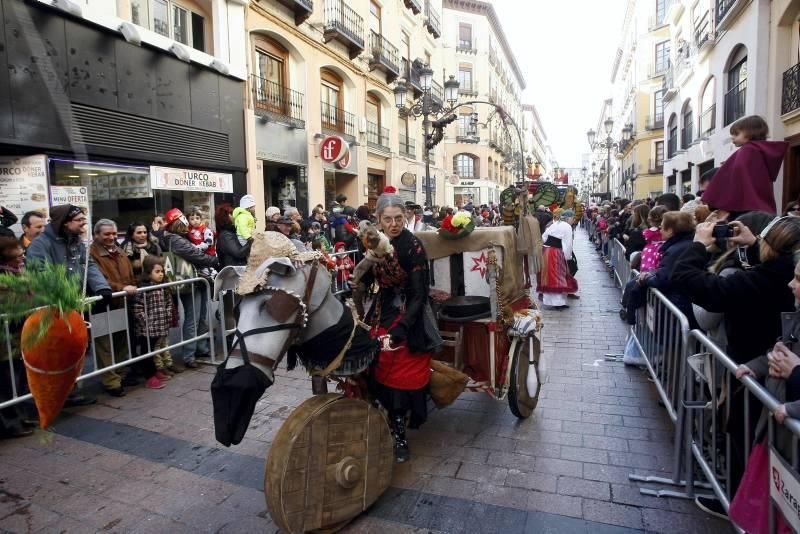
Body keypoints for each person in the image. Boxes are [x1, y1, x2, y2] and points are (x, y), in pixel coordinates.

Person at [360, 187, 439, 463]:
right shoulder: (374, 243)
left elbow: (419, 295)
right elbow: (369, 278)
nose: (393, 224)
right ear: (378, 219)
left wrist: (403, 326)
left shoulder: (413, 246)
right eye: (387, 219)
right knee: (371, 361)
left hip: (411, 315)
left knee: (398, 377)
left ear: (405, 217)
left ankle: (400, 433)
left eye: (398, 218)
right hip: (382, 309)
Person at [671, 215, 800, 365]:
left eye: (762, 238)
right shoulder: (785, 271)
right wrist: (754, 244)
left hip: (750, 367)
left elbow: (685, 277)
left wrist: (698, 244)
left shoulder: (763, 280)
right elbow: (779, 261)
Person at [26, 204, 109, 406]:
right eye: (78, 220)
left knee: (71, 351)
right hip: (51, 308)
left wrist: (101, 288)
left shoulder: (76, 243)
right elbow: (42, 275)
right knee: (53, 355)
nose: (83, 223)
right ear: (64, 222)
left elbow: (88, 265)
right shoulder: (40, 245)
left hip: (72, 307)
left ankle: (69, 392)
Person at [160, 208, 219, 368]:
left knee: (200, 316)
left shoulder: (179, 237)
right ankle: (189, 354)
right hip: (188, 280)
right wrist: (213, 261)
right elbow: (195, 254)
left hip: (196, 280)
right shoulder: (175, 239)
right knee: (193, 318)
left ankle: (200, 347)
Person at [702, 115, 789, 217]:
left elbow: (733, 178)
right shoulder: (761, 151)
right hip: (761, 207)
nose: (732, 137)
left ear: (750, 133)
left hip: (745, 209)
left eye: (736, 134)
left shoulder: (748, 150)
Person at [89, 219, 138, 397]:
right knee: (104, 346)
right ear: (96, 235)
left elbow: (130, 275)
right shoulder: (91, 254)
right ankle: (111, 381)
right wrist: (120, 289)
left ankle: (119, 373)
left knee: (120, 342)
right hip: (102, 305)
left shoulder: (120, 252)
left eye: (114, 234)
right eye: (107, 234)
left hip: (121, 303)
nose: (111, 237)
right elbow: (98, 279)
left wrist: (130, 289)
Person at [0, 236, 36, 438]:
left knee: (18, 379)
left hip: (18, 337)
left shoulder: (19, 273)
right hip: (5, 339)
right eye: (16, 250)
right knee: (6, 381)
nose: (22, 254)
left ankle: (19, 414)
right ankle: (9, 423)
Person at [638, 211, 698, 327]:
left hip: (677, 307)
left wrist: (647, 278)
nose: (660, 230)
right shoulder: (687, 244)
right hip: (681, 305)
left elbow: (662, 280)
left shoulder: (675, 250)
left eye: (662, 227)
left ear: (670, 230)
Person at [133, 256, 177, 389]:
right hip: (148, 328)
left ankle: (154, 371)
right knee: (147, 351)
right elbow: (137, 308)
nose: (161, 274)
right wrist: (146, 322)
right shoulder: (143, 289)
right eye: (157, 272)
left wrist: (168, 314)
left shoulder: (163, 287)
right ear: (148, 272)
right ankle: (149, 376)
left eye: (162, 271)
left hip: (160, 326)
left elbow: (169, 303)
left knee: (153, 350)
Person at [537, 208, 578, 309]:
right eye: (573, 218)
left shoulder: (555, 224)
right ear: (568, 218)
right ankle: (557, 303)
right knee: (558, 276)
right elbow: (568, 244)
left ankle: (554, 301)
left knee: (549, 276)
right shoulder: (567, 227)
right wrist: (567, 257)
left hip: (546, 251)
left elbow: (544, 237)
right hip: (556, 252)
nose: (574, 220)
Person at [215, 203, 252, 268]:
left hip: (238, 270)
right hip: (232, 273)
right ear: (225, 217)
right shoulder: (225, 235)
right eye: (232, 214)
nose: (236, 216)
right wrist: (251, 241)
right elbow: (239, 253)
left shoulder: (234, 231)